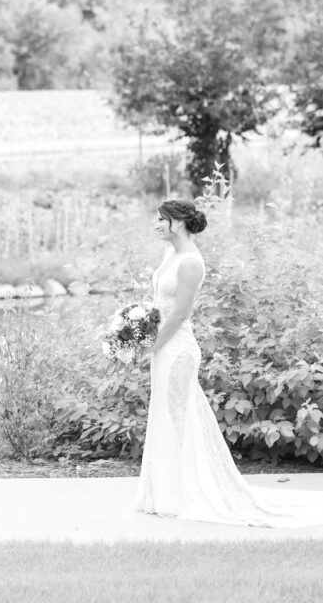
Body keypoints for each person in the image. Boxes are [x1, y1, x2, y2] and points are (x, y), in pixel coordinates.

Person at [134, 197, 323, 527]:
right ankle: (161, 491)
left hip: (177, 350)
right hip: (162, 346)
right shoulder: (170, 254)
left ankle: (179, 494)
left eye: (161, 219)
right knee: (164, 415)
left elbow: (180, 314)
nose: (156, 224)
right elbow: (159, 304)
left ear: (177, 222)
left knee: (177, 419)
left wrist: (152, 346)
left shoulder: (191, 262)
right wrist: (138, 330)